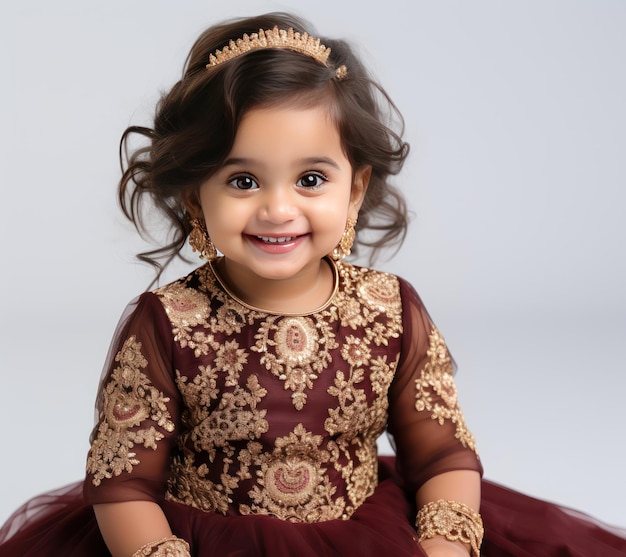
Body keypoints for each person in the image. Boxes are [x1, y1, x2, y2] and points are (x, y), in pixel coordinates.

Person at [0, 12, 624, 557]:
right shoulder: (169, 322)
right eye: (243, 181)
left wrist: (443, 542)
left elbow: (442, 457)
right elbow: (124, 483)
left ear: (354, 188)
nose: (277, 209)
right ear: (197, 193)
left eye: (310, 179)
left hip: (369, 535)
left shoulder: (389, 310)